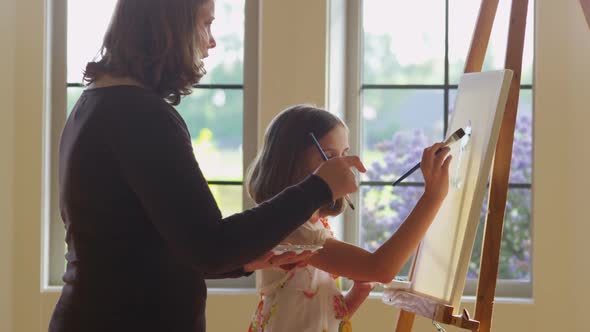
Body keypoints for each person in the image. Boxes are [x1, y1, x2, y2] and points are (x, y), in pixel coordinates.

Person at [48, 1, 366, 331]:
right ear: (169, 26)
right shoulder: (139, 115)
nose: (211, 41)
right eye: (206, 24)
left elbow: (178, 242)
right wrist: (318, 187)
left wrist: (244, 261)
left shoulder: (98, 103)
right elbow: (212, 246)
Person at [246, 105, 451, 332]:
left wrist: (359, 292)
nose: (341, 165)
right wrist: (432, 198)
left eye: (344, 154)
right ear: (291, 162)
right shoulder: (292, 228)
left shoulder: (315, 224)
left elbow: (323, 317)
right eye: (330, 156)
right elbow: (381, 269)